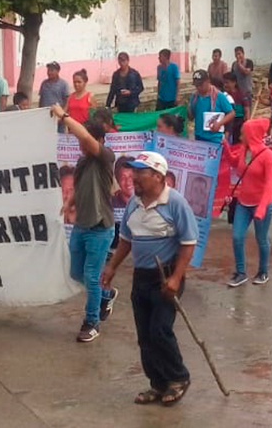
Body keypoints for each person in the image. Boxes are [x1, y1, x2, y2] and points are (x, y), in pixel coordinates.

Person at [101, 151, 197, 407]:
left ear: (158, 176)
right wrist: (112, 267)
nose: (133, 177)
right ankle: (158, 383)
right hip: (141, 277)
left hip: (166, 277)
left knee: (160, 330)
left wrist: (176, 278)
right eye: (133, 172)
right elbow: (127, 240)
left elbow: (189, 243)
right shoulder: (134, 202)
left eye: (140, 172)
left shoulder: (176, 203)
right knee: (144, 335)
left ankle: (178, 377)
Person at [51, 104, 120, 342]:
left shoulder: (105, 157)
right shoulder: (82, 162)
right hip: (81, 226)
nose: (81, 144)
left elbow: (84, 136)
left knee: (91, 276)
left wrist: (64, 116)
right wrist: (69, 203)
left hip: (100, 228)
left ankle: (91, 323)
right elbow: (80, 186)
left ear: (99, 139)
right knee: (76, 272)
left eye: (86, 141)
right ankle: (106, 295)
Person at [223, 118, 272, 287]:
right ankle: (241, 272)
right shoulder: (243, 150)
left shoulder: (268, 156)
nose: (240, 136)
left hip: (261, 204)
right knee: (237, 237)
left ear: (251, 135)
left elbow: (270, 185)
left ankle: (263, 271)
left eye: (243, 134)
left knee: (261, 239)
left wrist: (261, 208)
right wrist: (225, 145)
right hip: (243, 203)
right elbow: (234, 163)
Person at [187, 70, 236, 144]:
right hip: (199, 136)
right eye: (197, 86)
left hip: (214, 138)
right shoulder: (194, 97)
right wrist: (188, 108)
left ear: (208, 81)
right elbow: (191, 117)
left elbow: (231, 113)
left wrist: (219, 123)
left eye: (201, 85)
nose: (199, 88)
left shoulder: (219, 96)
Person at [222, 72, 250, 144]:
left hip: (238, 122)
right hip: (227, 122)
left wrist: (246, 125)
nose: (225, 85)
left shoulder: (241, 94)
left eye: (227, 83)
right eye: (224, 83)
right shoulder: (223, 95)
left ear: (234, 82)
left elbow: (246, 109)